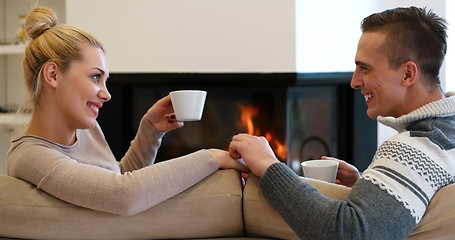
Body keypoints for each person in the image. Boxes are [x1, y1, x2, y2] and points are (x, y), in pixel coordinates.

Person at [229, 6, 455, 239]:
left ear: (407, 74)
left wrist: (268, 165)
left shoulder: (414, 149)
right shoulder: (446, 133)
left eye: (364, 68)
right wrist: (366, 186)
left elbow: (348, 233)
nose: (354, 81)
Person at [6, 7, 248, 216]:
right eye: (95, 77)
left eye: (106, 81)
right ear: (53, 75)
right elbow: (122, 195)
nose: (106, 93)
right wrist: (213, 158)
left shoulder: (86, 129)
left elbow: (116, 177)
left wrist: (150, 130)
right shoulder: (30, 156)